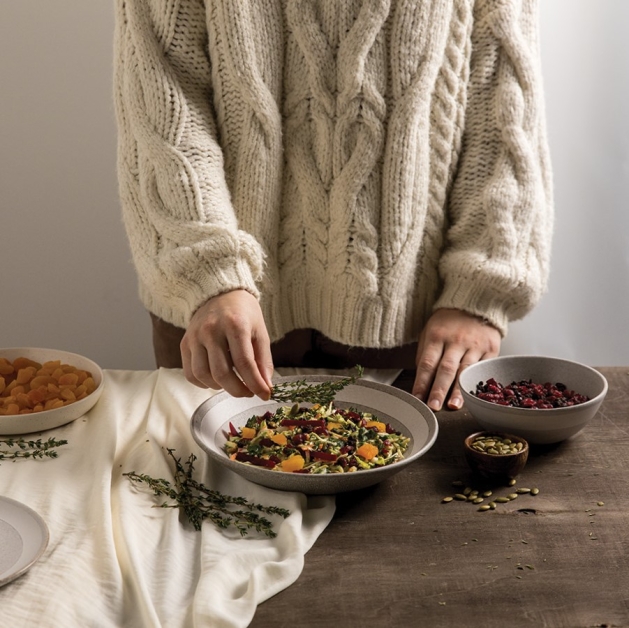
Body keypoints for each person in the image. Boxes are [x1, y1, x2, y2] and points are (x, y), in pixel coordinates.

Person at [113, 0, 553, 411]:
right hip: (220, 316)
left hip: (418, 319)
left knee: (410, 492)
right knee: (196, 484)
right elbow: (162, 91)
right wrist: (211, 277)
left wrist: (480, 293)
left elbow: (503, 98)